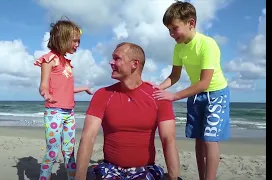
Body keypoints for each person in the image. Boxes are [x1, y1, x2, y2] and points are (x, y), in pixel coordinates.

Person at [75, 42, 181, 180]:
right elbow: (88, 137)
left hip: (145, 169)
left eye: (117, 58)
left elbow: (168, 140)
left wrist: (174, 178)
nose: (111, 62)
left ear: (134, 64)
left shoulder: (158, 97)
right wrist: (79, 177)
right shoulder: (102, 95)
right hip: (110, 169)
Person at [152, 1, 230, 180]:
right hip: (197, 96)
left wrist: (173, 96)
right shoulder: (178, 47)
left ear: (191, 23)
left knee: (209, 139)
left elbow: (204, 83)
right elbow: (174, 75)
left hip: (216, 93)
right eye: (168, 30)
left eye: (174, 28)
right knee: (199, 139)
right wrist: (159, 87)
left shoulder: (207, 45)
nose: (171, 34)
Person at [34, 19, 92, 180]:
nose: (77, 44)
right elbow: (43, 85)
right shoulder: (49, 59)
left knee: (69, 152)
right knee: (52, 151)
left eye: (78, 41)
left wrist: (84, 88)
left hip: (69, 113)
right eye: (74, 40)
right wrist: (46, 94)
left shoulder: (66, 62)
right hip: (54, 112)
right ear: (62, 38)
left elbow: (66, 89)